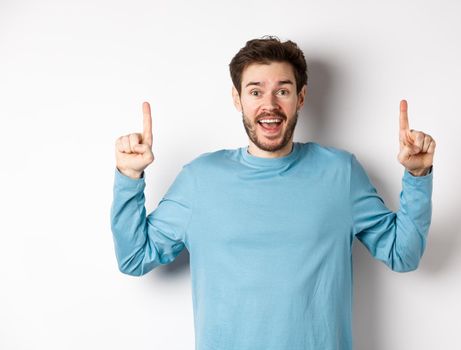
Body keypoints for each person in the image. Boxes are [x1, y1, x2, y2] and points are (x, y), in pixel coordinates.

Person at [110, 36, 435, 350]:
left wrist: (417, 175)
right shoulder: (200, 179)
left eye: (283, 90)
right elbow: (135, 257)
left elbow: (402, 254)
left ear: (301, 97)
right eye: (255, 91)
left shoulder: (340, 173)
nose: (270, 104)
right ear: (237, 99)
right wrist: (129, 175)